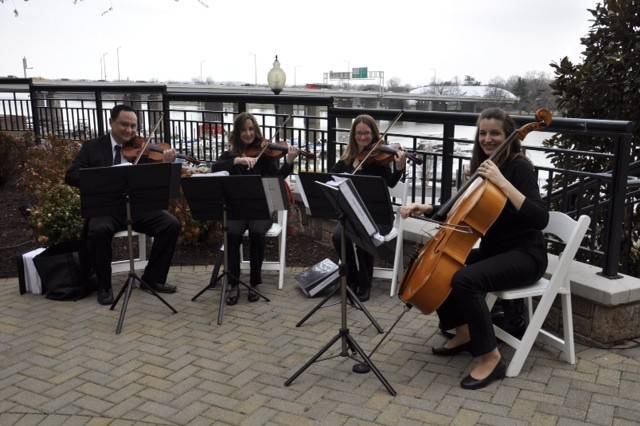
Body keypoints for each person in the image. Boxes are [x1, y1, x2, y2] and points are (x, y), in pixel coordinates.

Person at [399, 107, 549, 390]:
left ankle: (491, 357)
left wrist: (501, 182)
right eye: (483, 133)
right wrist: (428, 207)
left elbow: (540, 217)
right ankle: (465, 331)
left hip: (526, 255)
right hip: (497, 251)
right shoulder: (484, 164)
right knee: (442, 264)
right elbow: (463, 208)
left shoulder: (519, 166)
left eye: (495, 133)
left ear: (509, 136)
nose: (488, 139)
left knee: (466, 279)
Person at [65, 104, 180, 306]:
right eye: (124, 124)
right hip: (106, 209)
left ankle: (153, 279)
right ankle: (104, 285)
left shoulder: (143, 150)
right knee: (98, 231)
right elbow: (71, 175)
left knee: (170, 224)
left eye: (133, 126)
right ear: (111, 123)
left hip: (137, 208)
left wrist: (166, 164)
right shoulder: (93, 147)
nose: (129, 130)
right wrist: (103, 177)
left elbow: (158, 182)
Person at [211, 112, 299, 305]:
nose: (248, 133)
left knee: (258, 232)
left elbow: (277, 179)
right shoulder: (230, 155)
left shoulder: (265, 155)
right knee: (232, 233)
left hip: (260, 208)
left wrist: (289, 161)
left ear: (256, 130)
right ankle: (233, 284)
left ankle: (254, 282)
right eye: (244, 129)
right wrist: (237, 161)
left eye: (251, 129)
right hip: (236, 209)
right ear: (237, 132)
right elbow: (215, 167)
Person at [331, 114, 406, 302]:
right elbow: (331, 175)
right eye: (359, 133)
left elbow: (390, 183)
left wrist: (399, 167)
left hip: (378, 216)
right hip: (353, 214)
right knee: (338, 236)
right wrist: (348, 172)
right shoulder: (349, 158)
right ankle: (352, 278)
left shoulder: (380, 158)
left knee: (363, 235)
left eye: (367, 133)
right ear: (353, 135)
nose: (363, 138)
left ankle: (365, 284)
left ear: (374, 134)